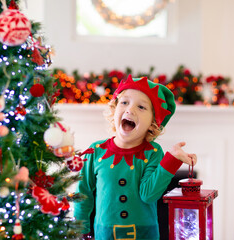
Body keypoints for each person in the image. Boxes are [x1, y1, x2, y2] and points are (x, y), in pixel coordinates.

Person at [74, 75, 197, 240]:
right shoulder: (95, 151)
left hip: (145, 234)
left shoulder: (153, 152)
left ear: (153, 123)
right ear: (114, 108)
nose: (130, 110)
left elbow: (149, 195)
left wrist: (172, 159)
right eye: (124, 102)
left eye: (141, 107)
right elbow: (83, 193)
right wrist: (79, 230)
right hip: (105, 233)